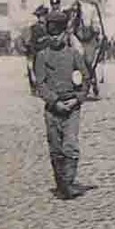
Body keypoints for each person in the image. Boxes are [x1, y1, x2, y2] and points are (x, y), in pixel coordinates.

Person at [33, 10, 94, 200]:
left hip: (72, 107)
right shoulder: (42, 56)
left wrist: (78, 99)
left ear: (65, 33)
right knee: (55, 148)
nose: (55, 37)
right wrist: (54, 101)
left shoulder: (74, 55)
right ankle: (60, 182)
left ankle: (67, 183)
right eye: (51, 32)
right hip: (53, 109)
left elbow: (85, 79)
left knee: (70, 145)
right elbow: (40, 85)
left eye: (59, 32)